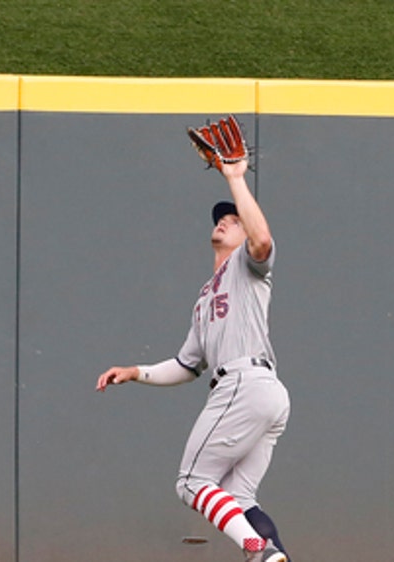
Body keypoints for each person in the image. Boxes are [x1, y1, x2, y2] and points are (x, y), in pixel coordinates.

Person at [96, 159, 291, 562]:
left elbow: (263, 242)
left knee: (190, 482)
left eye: (233, 220)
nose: (224, 222)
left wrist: (236, 179)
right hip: (264, 393)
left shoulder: (247, 266)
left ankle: (258, 551)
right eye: (222, 219)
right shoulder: (205, 296)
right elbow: (187, 365)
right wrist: (136, 372)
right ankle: (273, 556)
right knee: (239, 498)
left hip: (244, 384)